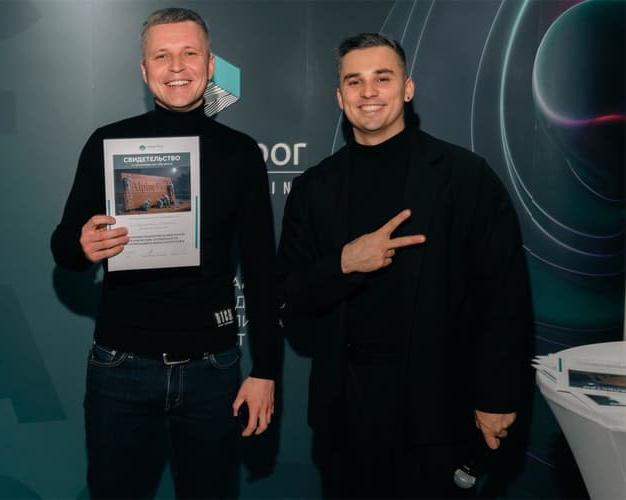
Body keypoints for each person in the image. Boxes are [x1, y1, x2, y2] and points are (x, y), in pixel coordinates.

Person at [277, 33, 533, 498]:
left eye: (382, 78)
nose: (368, 92)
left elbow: (505, 294)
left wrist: (497, 396)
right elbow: (292, 291)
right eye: (354, 81)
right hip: (347, 406)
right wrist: (345, 263)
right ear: (339, 97)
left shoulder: (464, 177)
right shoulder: (315, 187)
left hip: (438, 403)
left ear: (407, 88)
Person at [50, 8, 281, 499]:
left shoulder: (240, 153)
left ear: (210, 65)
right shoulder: (108, 143)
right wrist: (80, 245)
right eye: (161, 55)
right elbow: (64, 245)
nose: (176, 66)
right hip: (121, 368)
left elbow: (263, 270)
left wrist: (265, 370)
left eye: (189, 53)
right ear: (144, 69)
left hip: (212, 371)